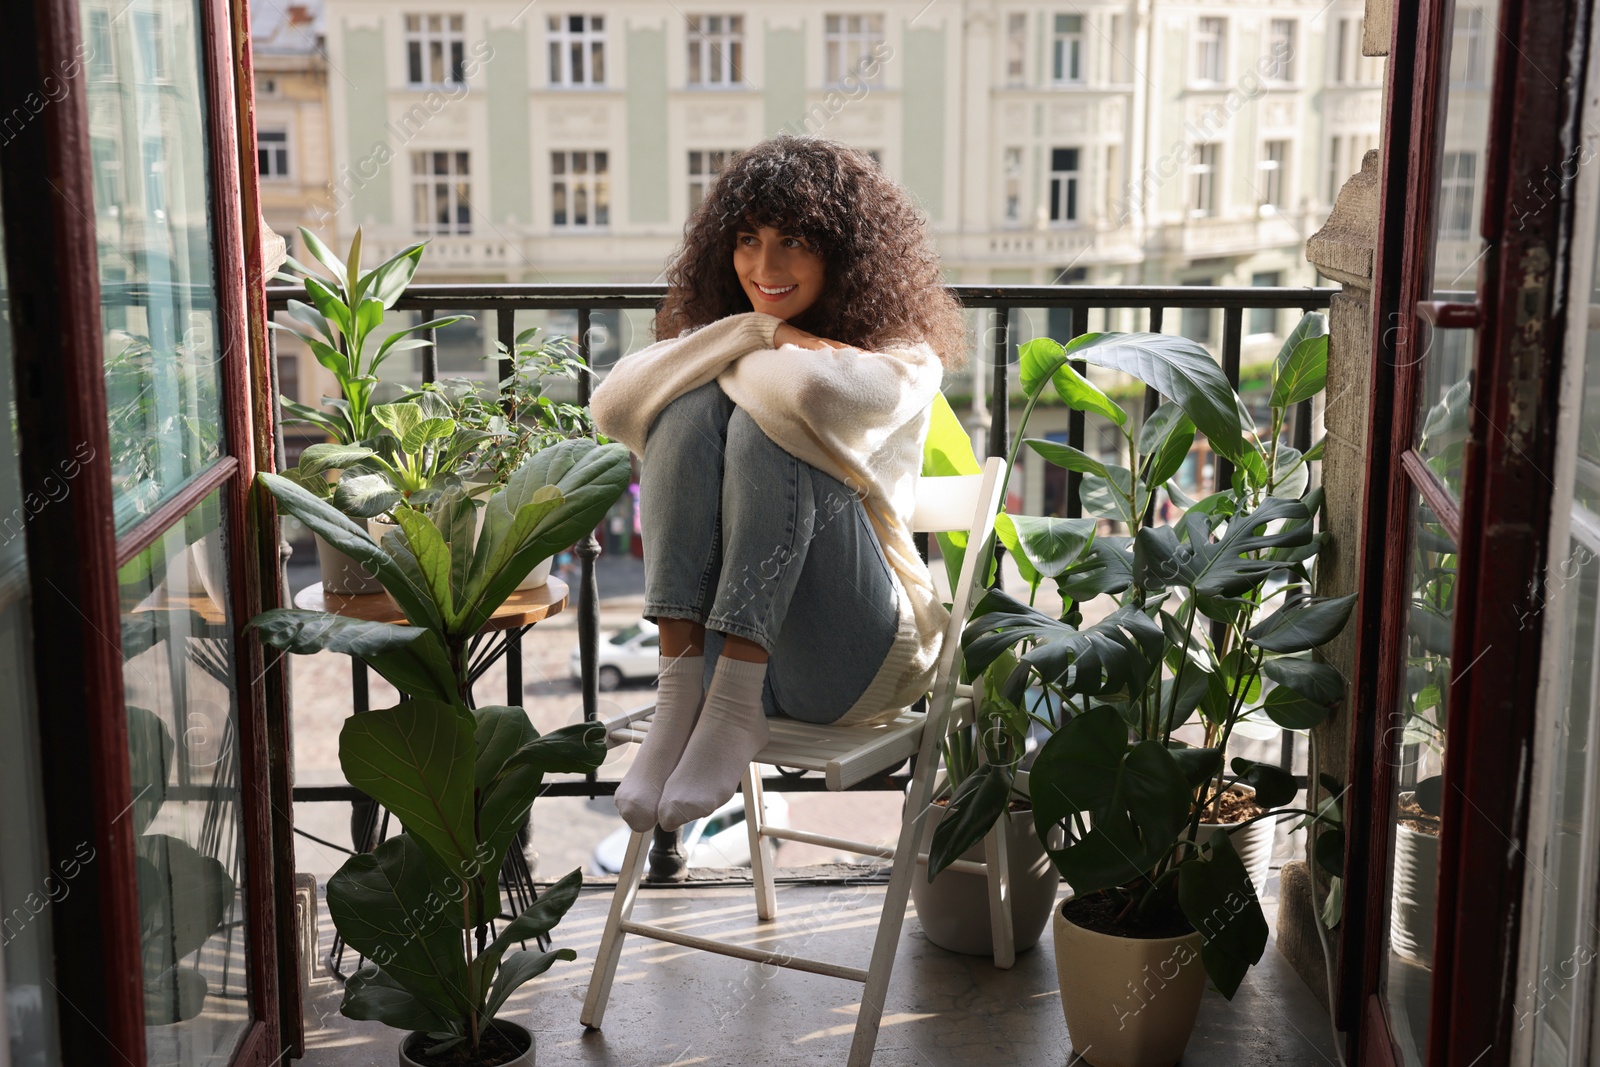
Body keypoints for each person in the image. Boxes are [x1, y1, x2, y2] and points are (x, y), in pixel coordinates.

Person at [588, 136, 968, 834]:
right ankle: (681, 704)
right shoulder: (740, 332)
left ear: (845, 253)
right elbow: (611, 406)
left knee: (766, 420)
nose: (765, 265)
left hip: (853, 659)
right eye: (747, 239)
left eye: (794, 239)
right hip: (728, 666)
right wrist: (760, 330)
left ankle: (728, 712)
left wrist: (742, 342)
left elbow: (816, 398)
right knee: (692, 409)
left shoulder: (906, 357)